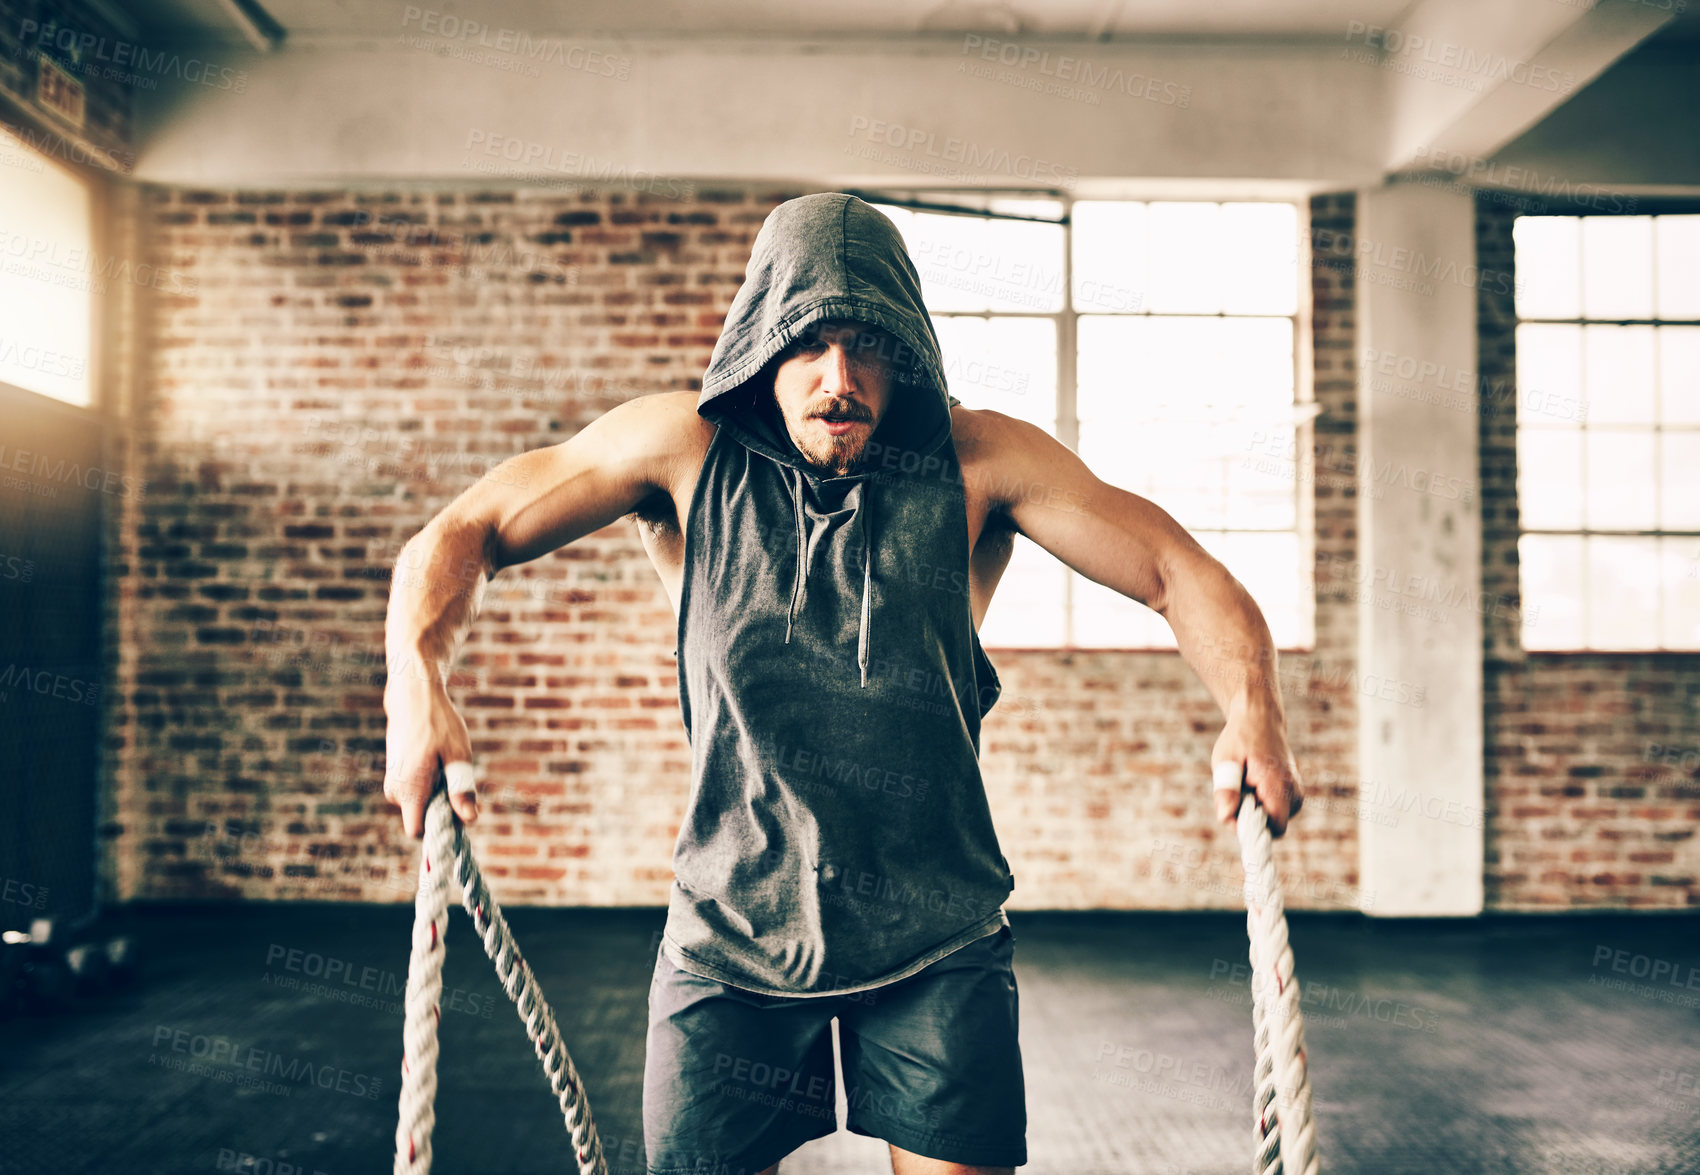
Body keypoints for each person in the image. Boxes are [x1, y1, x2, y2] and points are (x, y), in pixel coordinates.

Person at [382, 191, 1305, 1175]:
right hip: (728, 934)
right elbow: (461, 533)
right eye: (808, 344)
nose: (839, 376)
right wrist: (418, 685)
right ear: (759, 348)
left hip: (935, 934)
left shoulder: (977, 459)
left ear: (904, 350)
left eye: (866, 345)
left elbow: (1173, 567)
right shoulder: (679, 453)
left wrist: (1251, 710)